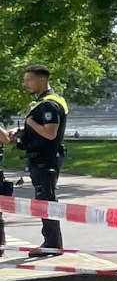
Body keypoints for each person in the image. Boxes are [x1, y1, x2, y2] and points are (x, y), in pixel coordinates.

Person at [0, 64, 68, 257]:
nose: (25, 84)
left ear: (42, 79)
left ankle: (52, 243)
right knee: (43, 199)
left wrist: (30, 123)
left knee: (46, 201)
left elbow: (50, 132)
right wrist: (21, 132)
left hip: (45, 160)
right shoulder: (44, 102)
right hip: (40, 159)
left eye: (29, 80)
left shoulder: (49, 104)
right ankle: (51, 242)